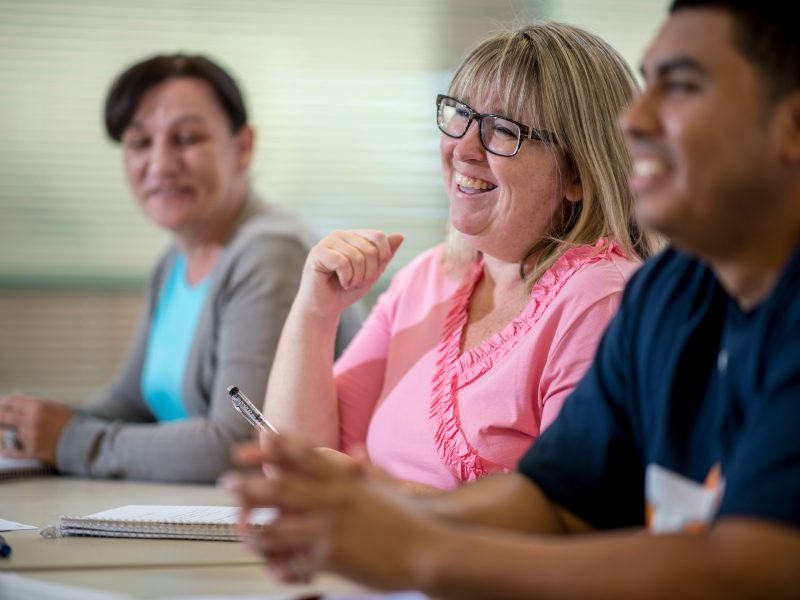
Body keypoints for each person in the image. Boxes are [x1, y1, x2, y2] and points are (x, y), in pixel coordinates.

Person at [224, 2, 800, 596]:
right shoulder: (672, 292)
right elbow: (556, 499)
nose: (635, 121)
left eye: (680, 88)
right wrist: (361, 523)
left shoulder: (612, 291)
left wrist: (419, 548)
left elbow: (755, 571)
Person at [264, 23, 657, 490]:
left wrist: (373, 495)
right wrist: (315, 311)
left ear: (577, 173)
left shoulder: (603, 298)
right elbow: (296, 466)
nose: (463, 149)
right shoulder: (431, 276)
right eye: (461, 116)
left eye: (503, 130)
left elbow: (571, 515)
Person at [0, 54, 362, 483]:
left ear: (243, 146)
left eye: (187, 138)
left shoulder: (271, 253)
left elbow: (239, 445)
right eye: (139, 143)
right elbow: (130, 404)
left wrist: (71, 441)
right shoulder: (176, 259)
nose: (160, 165)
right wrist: (24, 428)